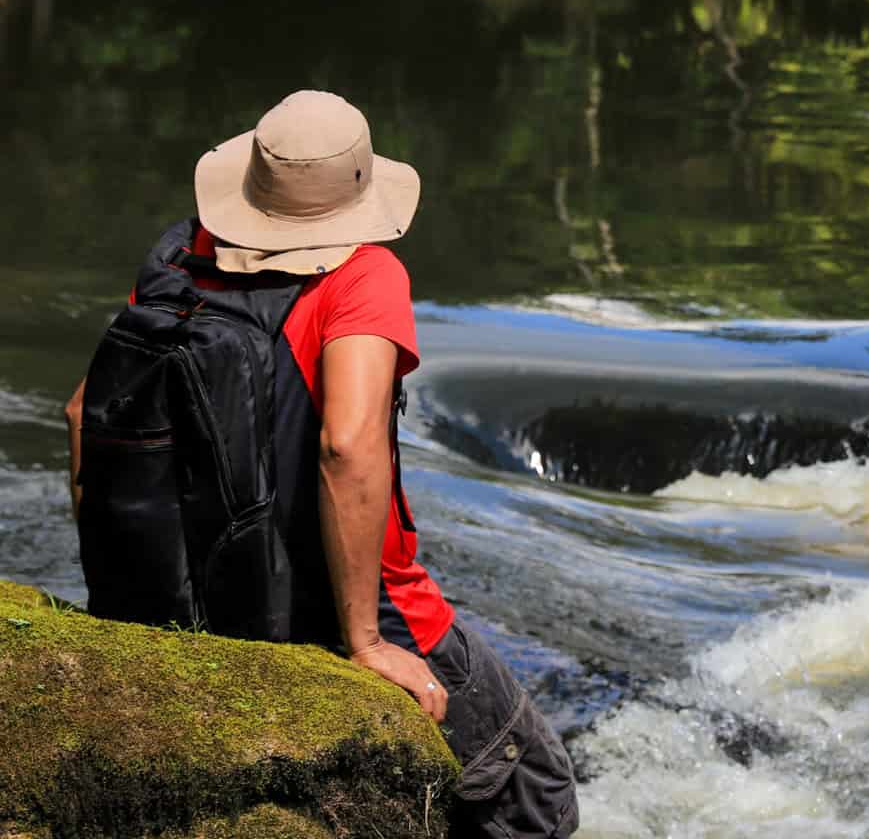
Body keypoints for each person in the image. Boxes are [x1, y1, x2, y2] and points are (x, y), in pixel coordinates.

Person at [64, 89, 580, 839]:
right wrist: (364, 642)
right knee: (535, 790)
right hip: (344, 604)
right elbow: (347, 444)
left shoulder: (179, 260)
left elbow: (87, 413)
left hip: (187, 597)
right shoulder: (362, 278)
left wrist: (126, 590)